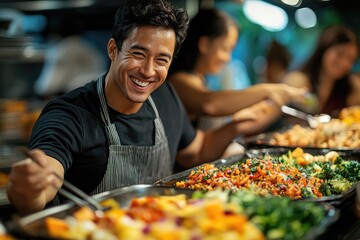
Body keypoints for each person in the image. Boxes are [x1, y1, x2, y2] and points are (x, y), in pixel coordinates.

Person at [6, 0, 306, 214]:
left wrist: (237, 125)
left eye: (161, 59)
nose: (148, 71)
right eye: (138, 53)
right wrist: (29, 187)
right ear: (114, 49)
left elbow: (197, 151)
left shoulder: (166, 98)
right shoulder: (69, 114)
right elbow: (41, 184)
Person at [167, 8, 307, 145]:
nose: (227, 58)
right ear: (204, 44)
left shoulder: (201, 81)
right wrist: (267, 90)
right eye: (225, 49)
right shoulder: (179, 80)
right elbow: (209, 103)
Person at [283, 25, 360, 117]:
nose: (345, 63)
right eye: (340, 54)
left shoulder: (352, 87)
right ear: (324, 49)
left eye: (351, 59)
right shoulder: (297, 80)